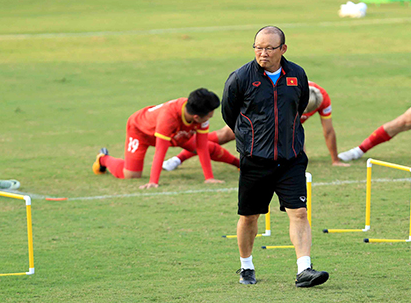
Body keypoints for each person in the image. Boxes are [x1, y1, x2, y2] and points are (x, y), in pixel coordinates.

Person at [222, 26, 328, 287]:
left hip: (291, 158)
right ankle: (246, 266)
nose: (263, 53)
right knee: (249, 217)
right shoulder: (241, 78)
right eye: (258, 47)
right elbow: (229, 113)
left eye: (269, 48)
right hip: (255, 160)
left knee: (299, 213)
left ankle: (305, 269)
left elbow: (300, 105)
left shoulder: (297, 74)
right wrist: (251, 140)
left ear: (283, 49)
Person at [163, 81, 349, 171]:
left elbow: (328, 131)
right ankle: (177, 159)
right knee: (224, 136)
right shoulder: (285, 93)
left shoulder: (321, 98)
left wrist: (334, 159)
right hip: (258, 116)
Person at [92, 88, 240, 189]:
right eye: (209, 114)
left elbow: (201, 146)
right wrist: (153, 181)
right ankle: (103, 158)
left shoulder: (199, 114)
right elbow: (160, 151)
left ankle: (241, 165)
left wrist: (209, 178)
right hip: (140, 131)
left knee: (208, 147)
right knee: (131, 175)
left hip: (177, 133)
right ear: (196, 117)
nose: (211, 116)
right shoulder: (168, 117)